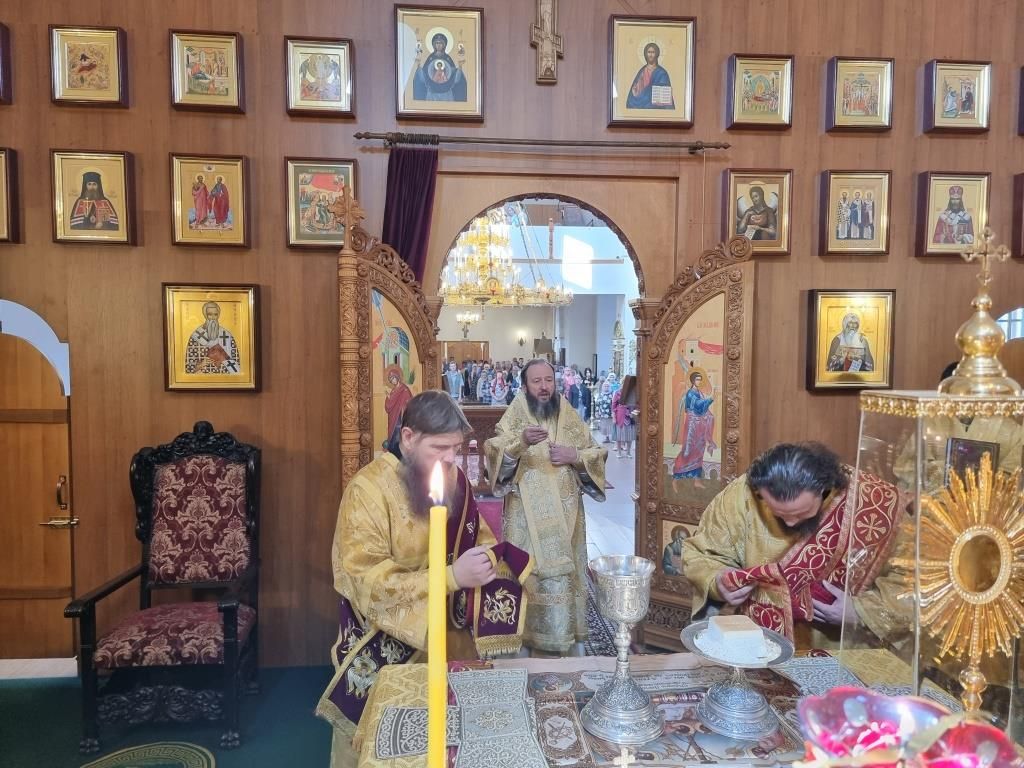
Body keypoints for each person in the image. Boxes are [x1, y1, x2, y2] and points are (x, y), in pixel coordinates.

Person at [317, 392, 530, 768]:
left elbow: (478, 538)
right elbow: (365, 580)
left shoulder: (454, 479)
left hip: (452, 639)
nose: (450, 458)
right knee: (387, 748)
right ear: (408, 437)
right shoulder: (368, 490)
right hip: (387, 647)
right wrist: (450, 577)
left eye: (456, 448)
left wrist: (489, 562)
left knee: (453, 740)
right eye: (440, 448)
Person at [681, 442, 903, 648]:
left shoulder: (874, 502)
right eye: (778, 513)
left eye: (801, 513)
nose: (790, 522)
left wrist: (860, 612)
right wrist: (718, 582)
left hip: (838, 647)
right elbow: (701, 553)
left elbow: (910, 581)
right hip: (755, 640)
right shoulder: (742, 496)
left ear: (825, 490)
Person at [483, 359, 608, 655]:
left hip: (567, 515)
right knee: (529, 574)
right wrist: (520, 443)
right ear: (525, 385)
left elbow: (596, 452)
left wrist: (574, 455)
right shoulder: (515, 413)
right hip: (525, 517)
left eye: (548, 380)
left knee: (562, 579)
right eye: (536, 381)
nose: (543, 387)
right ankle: (524, 643)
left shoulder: (567, 412)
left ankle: (562, 640)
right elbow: (493, 454)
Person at [672, 370, 717, 478]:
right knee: (689, 447)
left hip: (700, 424)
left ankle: (696, 478)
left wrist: (709, 404)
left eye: (700, 379)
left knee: (699, 446)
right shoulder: (690, 393)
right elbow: (697, 405)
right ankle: (679, 474)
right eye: (697, 379)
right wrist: (710, 399)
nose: (699, 381)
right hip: (692, 422)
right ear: (692, 380)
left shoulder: (699, 392)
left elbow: (703, 408)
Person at [184, 301, 240, 374]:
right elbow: (188, 366)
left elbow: (236, 361)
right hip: (203, 376)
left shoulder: (227, 335)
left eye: (215, 314)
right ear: (205, 315)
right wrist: (200, 365)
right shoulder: (196, 336)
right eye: (210, 314)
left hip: (224, 376)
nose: (213, 318)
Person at [412, 31, 467, 102]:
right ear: (434, 45)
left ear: (444, 45)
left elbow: (452, 73)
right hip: (432, 90)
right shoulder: (431, 58)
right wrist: (418, 65)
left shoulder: (447, 58)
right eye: (437, 43)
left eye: (440, 43)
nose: (438, 45)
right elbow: (425, 73)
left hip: (446, 90)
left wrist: (459, 67)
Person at [626, 42, 674, 109]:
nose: (650, 55)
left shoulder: (662, 73)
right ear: (645, 54)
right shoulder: (642, 71)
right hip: (640, 107)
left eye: (653, 52)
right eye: (649, 52)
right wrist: (635, 94)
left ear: (657, 54)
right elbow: (633, 96)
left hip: (655, 109)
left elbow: (665, 98)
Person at [612, 374, 639, 459]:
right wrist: (614, 417)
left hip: (631, 417)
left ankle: (628, 452)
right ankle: (619, 452)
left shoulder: (634, 393)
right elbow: (613, 406)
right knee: (619, 436)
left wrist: (634, 413)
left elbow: (637, 405)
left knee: (629, 436)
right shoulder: (618, 392)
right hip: (620, 417)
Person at [383, 364, 414, 438]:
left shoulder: (404, 389)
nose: (392, 381)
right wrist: (388, 398)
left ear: (397, 377)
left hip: (401, 415)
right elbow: (389, 406)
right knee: (394, 433)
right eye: (391, 380)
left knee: (400, 430)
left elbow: (409, 401)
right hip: (393, 416)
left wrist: (403, 408)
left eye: (393, 379)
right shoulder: (393, 391)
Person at [594, 379, 614, 443]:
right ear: (602, 387)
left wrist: (614, 412)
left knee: (611, 426)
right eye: (605, 386)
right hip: (603, 413)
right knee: (604, 426)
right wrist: (596, 412)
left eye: (607, 386)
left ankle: (612, 438)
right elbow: (597, 404)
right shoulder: (600, 394)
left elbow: (614, 404)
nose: (606, 387)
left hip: (610, 414)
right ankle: (606, 438)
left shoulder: (612, 394)